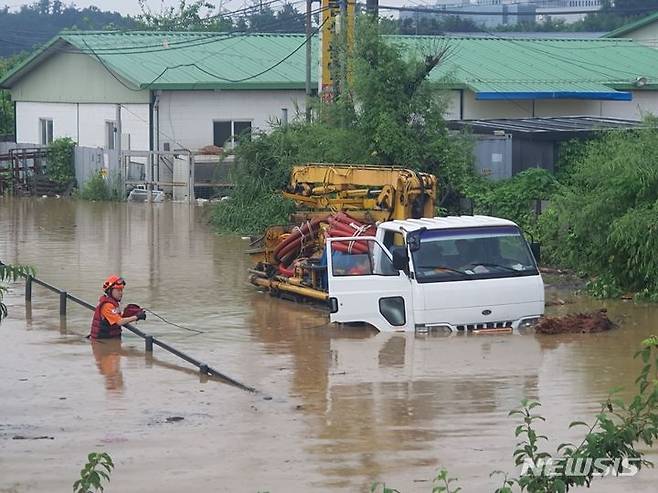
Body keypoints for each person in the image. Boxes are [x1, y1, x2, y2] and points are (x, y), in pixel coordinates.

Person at [89, 275, 145, 340]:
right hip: (103, 340)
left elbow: (117, 316)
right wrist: (137, 316)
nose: (121, 293)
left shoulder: (112, 302)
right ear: (110, 291)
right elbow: (119, 322)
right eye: (118, 290)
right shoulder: (107, 305)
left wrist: (131, 314)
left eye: (121, 290)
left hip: (109, 339)